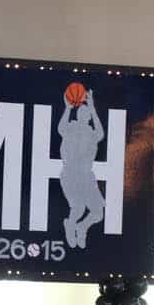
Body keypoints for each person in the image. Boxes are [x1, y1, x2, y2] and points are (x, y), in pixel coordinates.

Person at [57, 90, 105, 248]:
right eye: (82, 111)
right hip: (71, 173)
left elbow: (101, 133)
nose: (85, 114)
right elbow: (61, 128)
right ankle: (70, 225)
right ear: (77, 115)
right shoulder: (71, 128)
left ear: (89, 117)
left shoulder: (92, 134)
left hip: (86, 176)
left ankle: (82, 227)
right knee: (78, 207)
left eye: (87, 113)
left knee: (98, 213)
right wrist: (68, 108)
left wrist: (93, 108)